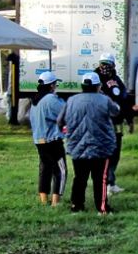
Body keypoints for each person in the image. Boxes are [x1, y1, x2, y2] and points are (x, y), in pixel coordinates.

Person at [57, 73, 119, 214]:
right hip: (101, 146)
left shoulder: (71, 100)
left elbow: (60, 121)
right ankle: (102, 208)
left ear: (82, 86)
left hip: (77, 146)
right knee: (100, 179)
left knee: (79, 177)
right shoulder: (104, 100)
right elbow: (115, 112)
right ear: (98, 86)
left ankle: (76, 206)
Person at [29, 71, 67, 206]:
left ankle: (44, 200)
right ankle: (55, 202)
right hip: (52, 140)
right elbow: (65, 113)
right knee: (60, 170)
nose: (56, 86)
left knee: (45, 170)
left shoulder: (34, 101)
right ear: (51, 85)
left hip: (39, 141)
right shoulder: (50, 99)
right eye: (55, 84)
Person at [95, 53, 129, 196]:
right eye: (103, 63)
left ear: (113, 65)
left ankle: (111, 181)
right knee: (105, 154)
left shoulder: (115, 78)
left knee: (115, 152)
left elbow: (123, 96)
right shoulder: (95, 78)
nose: (105, 67)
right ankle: (104, 183)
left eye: (108, 64)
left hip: (116, 122)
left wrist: (128, 117)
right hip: (102, 122)